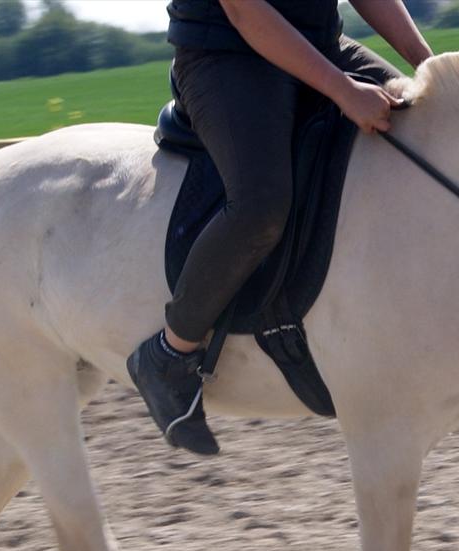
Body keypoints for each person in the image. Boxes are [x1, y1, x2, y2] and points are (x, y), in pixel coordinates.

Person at [128, 0, 433, 456]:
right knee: (261, 204)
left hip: (317, 43)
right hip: (227, 53)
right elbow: (247, 13)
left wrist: (430, 67)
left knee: (426, 130)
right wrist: (343, 91)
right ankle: (170, 352)